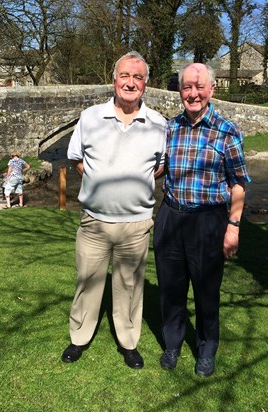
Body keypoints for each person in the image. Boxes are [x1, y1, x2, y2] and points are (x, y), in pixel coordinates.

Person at [62, 51, 166, 369]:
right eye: (125, 76)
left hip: (136, 224)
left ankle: (128, 341)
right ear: (114, 80)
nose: (130, 83)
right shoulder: (90, 117)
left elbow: (159, 168)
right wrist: (102, 182)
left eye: (137, 77)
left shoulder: (159, 124)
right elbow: (78, 160)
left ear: (145, 84)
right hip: (95, 221)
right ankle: (79, 338)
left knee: (130, 287)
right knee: (87, 282)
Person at [153, 63, 251, 377]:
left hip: (208, 222)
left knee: (206, 291)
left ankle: (206, 348)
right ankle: (173, 343)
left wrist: (233, 227)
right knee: (171, 288)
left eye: (199, 87)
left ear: (211, 89)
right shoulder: (170, 127)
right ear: (179, 90)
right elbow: (157, 169)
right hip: (171, 215)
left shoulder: (227, 130)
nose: (193, 93)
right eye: (187, 87)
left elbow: (238, 183)